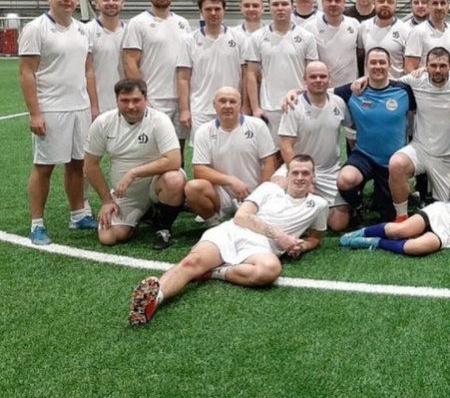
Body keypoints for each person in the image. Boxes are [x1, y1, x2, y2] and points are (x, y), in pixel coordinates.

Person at [128, 155, 327, 327]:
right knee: (191, 262)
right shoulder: (269, 189)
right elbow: (242, 216)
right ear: (288, 175)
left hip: (261, 248)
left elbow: (315, 238)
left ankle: (213, 272)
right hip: (233, 231)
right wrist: (280, 236)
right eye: (295, 173)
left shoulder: (319, 205)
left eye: (305, 173)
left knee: (270, 270)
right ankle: (154, 299)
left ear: (313, 176)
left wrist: (302, 246)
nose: (300, 178)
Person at [19, 0, 99, 245]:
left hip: (80, 108)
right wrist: (35, 113)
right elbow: (26, 73)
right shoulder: (35, 29)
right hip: (51, 109)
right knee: (44, 167)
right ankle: (37, 224)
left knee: (78, 164)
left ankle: (78, 215)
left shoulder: (83, 30)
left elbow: (88, 70)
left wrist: (93, 106)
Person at [85, 79, 187, 249]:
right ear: (116, 100)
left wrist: (134, 172)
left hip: (156, 184)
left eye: (136, 100)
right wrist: (107, 200)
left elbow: (174, 160)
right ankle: (147, 214)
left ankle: (164, 228)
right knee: (108, 237)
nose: (131, 106)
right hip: (127, 193)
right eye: (125, 101)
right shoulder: (103, 123)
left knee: (174, 179)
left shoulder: (159, 120)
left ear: (145, 99)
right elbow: (90, 165)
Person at [387, 47, 450, 218]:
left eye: (442, 66)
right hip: (420, 149)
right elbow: (388, 84)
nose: (438, 70)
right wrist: (364, 79)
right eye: (433, 65)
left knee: (446, 212)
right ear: (426, 66)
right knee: (396, 164)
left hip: (448, 155)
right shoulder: (416, 79)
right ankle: (401, 217)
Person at [334, 47, 416, 221]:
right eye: (373, 62)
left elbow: (430, 89)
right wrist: (294, 92)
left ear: (390, 65)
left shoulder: (404, 90)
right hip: (364, 156)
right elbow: (320, 90)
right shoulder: (353, 91)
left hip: (393, 163)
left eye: (382, 62)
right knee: (345, 180)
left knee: (388, 216)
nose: (377, 66)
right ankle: (358, 207)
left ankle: (386, 196)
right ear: (366, 65)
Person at [276, 62, 354, 231]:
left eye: (322, 76)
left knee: (339, 224)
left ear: (329, 79)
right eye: (313, 77)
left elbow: (351, 131)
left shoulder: (339, 103)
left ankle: (311, 209)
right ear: (305, 79)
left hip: (330, 172)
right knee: (276, 185)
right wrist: (302, 174)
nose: (318, 80)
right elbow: (286, 146)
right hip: (299, 168)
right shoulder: (293, 105)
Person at [185, 87, 277, 225]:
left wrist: (261, 195)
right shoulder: (204, 131)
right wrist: (231, 181)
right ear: (214, 104)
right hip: (223, 193)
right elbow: (199, 170)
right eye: (222, 101)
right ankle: (214, 223)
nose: (227, 106)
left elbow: (269, 162)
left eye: (232, 101)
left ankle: (257, 209)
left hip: (253, 192)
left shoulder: (257, 126)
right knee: (192, 188)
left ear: (240, 105)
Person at [122, 0, 192, 149]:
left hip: (181, 99)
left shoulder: (183, 23)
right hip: (155, 98)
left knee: (178, 149)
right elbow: (130, 61)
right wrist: (142, 96)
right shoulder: (137, 23)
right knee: (154, 149)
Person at [244, 0, 319, 145]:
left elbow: (312, 73)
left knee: (300, 153)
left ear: (292, 7)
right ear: (269, 8)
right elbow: (251, 74)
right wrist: (255, 108)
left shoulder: (307, 37)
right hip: (270, 107)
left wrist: (308, 99)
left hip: (300, 104)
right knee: (273, 153)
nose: (280, 8)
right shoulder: (257, 38)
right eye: (275, 4)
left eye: (284, 4)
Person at [177, 0, 248, 134]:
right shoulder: (188, 40)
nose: (213, 13)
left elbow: (246, 74)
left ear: (224, 11)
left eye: (217, 9)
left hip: (232, 106)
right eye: (208, 9)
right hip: (201, 109)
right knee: (202, 147)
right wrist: (184, 109)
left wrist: (245, 105)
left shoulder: (239, 38)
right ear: (201, 12)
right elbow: (183, 78)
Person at [300, 0, 362, 88]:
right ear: (322, 2)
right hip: (322, 89)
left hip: (350, 88)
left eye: (337, 1)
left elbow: (360, 52)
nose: (333, 4)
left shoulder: (354, 24)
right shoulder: (309, 28)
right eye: (329, 0)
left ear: (344, 3)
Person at [84, 0, 127, 114]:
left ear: (123, 3)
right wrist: (94, 106)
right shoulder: (86, 31)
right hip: (97, 105)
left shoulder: (130, 31)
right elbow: (86, 70)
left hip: (126, 103)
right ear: (96, 3)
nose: (111, 3)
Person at [404, 0, 450, 71]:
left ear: (448, 6)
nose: (439, 7)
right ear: (428, 6)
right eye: (435, 3)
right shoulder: (417, 32)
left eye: (442, 3)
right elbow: (409, 68)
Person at [360, 0, 411, 78]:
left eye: (390, 2)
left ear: (396, 5)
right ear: (374, 3)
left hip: (395, 84)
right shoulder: (363, 27)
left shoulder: (407, 30)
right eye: (381, 1)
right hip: (369, 84)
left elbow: (408, 67)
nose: (385, 4)